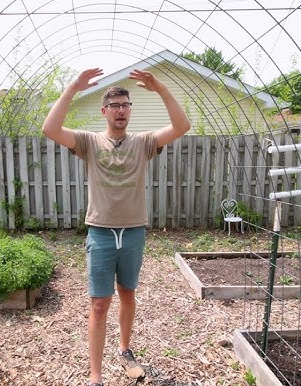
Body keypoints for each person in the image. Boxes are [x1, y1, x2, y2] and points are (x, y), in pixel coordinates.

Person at [42, 67, 190, 386]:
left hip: (134, 231)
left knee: (127, 292)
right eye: (116, 106)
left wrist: (160, 87)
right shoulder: (89, 142)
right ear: (105, 111)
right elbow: (50, 128)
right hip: (100, 232)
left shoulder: (144, 142)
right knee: (98, 303)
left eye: (126, 105)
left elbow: (182, 126)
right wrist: (72, 88)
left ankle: (125, 350)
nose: (121, 111)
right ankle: (95, 377)